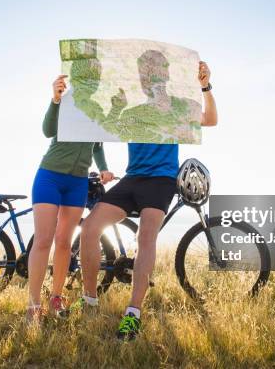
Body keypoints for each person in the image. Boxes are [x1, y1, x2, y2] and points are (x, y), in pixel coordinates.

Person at [72, 59, 218, 340]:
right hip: (132, 178)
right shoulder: (132, 110)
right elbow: (99, 130)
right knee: (89, 229)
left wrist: (205, 86)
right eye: (143, 73)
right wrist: (115, 106)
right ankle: (90, 300)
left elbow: (210, 120)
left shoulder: (177, 107)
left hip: (161, 180)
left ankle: (133, 314)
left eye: (154, 72)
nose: (148, 78)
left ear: (165, 74)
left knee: (145, 237)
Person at [27, 72, 114, 324]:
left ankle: (56, 297)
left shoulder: (97, 109)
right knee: (43, 240)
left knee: (64, 242)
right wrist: (55, 99)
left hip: (77, 181)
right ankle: (33, 305)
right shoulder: (66, 102)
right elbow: (47, 130)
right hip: (50, 176)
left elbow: (97, 146)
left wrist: (104, 167)